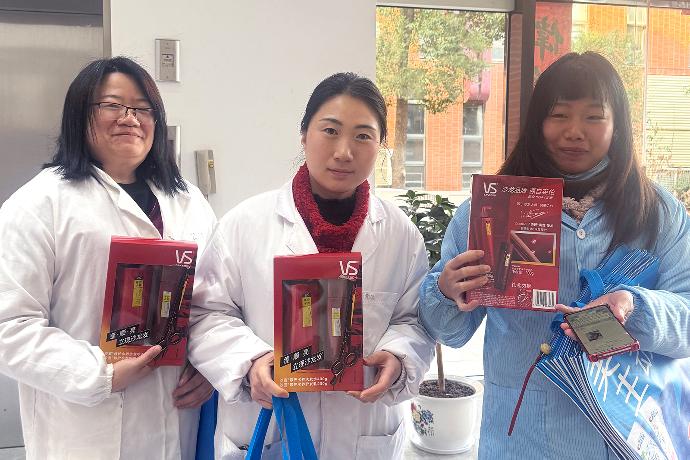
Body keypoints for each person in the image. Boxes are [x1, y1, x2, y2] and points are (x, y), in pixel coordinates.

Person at [418, 51, 690, 459]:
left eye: (594, 117)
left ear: (618, 126)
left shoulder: (658, 212)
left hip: (625, 439)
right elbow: (450, 333)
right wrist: (446, 291)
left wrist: (635, 308)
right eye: (559, 115)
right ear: (536, 124)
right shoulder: (488, 212)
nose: (574, 132)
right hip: (521, 440)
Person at [188, 72, 435, 459]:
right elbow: (207, 314)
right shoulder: (244, 224)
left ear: (381, 145)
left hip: (365, 431)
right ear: (304, 135)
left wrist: (399, 358)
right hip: (269, 426)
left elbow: (414, 319)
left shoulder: (400, 235)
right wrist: (249, 361)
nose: (344, 151)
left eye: (363, 136)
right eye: (330, 131)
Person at [0, 57, 217, 459]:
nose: (129, 118)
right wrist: (100, 374)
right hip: (83, 429)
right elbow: (10, 327)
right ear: (80, 114)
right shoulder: (38, 204)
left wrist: (211, 366)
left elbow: (212, 302)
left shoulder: (188, 201)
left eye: (142, 108)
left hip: (175, 417)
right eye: (112, 105)